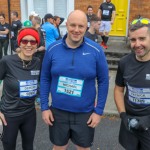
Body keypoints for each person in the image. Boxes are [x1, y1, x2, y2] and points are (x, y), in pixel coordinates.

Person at [40, 10, 109, 150]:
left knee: (83, 148)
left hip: (85, 113)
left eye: (81, 26)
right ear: (66, 25)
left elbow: (103, 81)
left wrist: (99, 111)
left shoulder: (96, 50)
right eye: (73, 25)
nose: (76, 30)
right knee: (58, 147)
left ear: (86, 26)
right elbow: (45, 78)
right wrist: (44, 107)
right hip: (57, 112)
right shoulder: (53, 49)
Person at [0, 27, 41, 150]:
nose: (29, 45)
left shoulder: (37, 62)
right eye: (25, 41)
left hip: (29, 113)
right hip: (9, 115)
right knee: (9, 147)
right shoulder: (7, 61)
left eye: (33, 42)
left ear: (37, 44)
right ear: (19, 43)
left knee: (28, 147)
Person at [114, 18, 150, 150]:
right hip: (129, 122)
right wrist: (123, 116)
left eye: (142, 38)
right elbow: (118, 90)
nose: (137, 44)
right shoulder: (124, 62)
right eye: (133, 40)